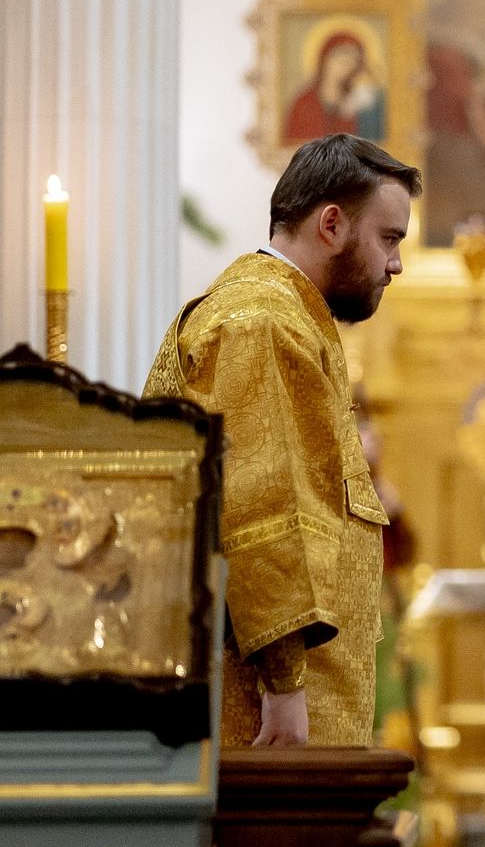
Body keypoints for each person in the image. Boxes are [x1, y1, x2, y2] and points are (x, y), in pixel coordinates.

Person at [145, 135, 422, 748]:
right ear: (332, 224)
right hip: (258, 710)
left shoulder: (280, 314)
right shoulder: (263, 323)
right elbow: (262, 508)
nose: (396, 263)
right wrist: (285, 686)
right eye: (389, 238)